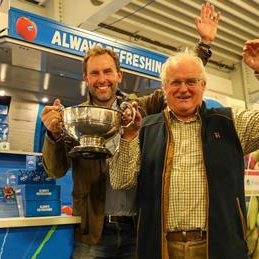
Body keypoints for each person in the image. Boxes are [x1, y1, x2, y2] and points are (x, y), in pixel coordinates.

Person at [41, 3, 221, 258]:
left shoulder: (140, 109)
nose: (101, 78)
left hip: (139, 230)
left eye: (107, 71)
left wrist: (203, 45)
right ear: (86, 79)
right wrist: (53, 134)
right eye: (94, 73)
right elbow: (55, 170)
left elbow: (178, 83)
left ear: (119, 76)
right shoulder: (74, 119)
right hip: (93, 233)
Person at [109, 39, 259, 259]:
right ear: (164, 88)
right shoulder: (145, 129)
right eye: (175, 82)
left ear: (203, 86)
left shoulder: (231, 123)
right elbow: (120, 181)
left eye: (191, 81)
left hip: (219, 246)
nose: (183, 89)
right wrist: (128, 136)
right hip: (161, 247)